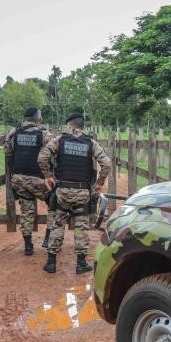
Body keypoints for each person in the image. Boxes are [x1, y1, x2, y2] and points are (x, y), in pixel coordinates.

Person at [37, 112, 112, 274]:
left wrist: (48, 176)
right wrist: (99, 184)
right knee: (81, 227)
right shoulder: (91, 143)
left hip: (62, 191)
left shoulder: (59, 140)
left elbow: (42, 157)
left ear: (69, 125)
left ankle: (51, 262)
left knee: (57, 224)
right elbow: (106, 164)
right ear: (82, 126)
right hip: (82, 191)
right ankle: (81, 263)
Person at [3, 106, 54, 255]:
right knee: (55, 202)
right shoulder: (44, 134)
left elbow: (8, 154)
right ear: (38, 118)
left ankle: (28, 246)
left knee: (26, 211)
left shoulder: (13, 133)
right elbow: (51, 156)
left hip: (18, 179)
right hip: (37, 179)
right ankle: (48, 237)